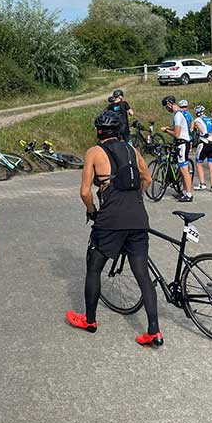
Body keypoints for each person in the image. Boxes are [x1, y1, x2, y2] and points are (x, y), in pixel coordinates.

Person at [67, 110, 161, 348]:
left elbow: (85, 191)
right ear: (118, 130)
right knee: (142, 274)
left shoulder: (94, 152)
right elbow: (147, 179)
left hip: (111, 220)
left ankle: (89, 320)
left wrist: (91, 211)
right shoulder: (133, 150)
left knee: (94, 267)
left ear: (98, 131)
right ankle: (154, 332)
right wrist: (134, 197)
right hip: (138, 218)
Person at [160, 96, 194, 201]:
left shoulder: (178, 116)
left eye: (167, 107)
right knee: (181, 168)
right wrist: (169, 127)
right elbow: (179, 128)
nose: (167, 109)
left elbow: (177, 134)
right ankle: (184, 191)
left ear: (170, 104)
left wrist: (166, 131)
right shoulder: (180, 114)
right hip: (183, 143)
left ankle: (188, 194)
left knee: (184, 170)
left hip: (182, 143)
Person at [192, 104, 212, 192]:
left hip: (204, 142)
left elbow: (198, 125)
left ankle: (202, 184)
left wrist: (203, 132)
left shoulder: (197, 119)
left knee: (199, 163)